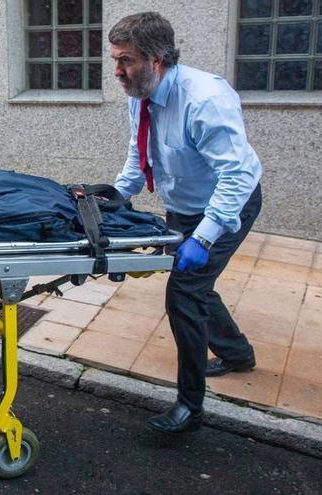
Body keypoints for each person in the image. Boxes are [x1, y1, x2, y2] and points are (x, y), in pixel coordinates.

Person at [109, 12, 263, 434]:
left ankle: (190, 407)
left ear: (157, 60)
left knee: (184, 292)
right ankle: (236, 354)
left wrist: (205, 236)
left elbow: (236, 177)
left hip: (227, 205)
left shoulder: (204, 99)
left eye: (126, 61)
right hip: (183, 205)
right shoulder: (139, 92)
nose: (117, 71)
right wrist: (118, 196)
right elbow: (140, 152)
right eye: (116, 60)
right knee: (196, 284)